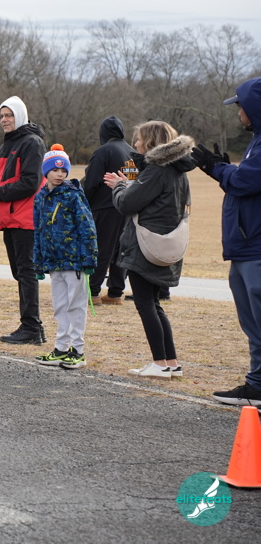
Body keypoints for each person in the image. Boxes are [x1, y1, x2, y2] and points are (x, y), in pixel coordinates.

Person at [105, 121, 194, 379]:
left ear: (151, 142)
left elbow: (127, 204)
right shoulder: (177, 169)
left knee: (145, 304)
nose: (135, 144)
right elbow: (151, 197)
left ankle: (159, 363)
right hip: (165, 243)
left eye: (139, 139)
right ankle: (170, 362)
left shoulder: (156, 170)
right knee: (154, 303)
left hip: (146, 245)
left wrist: (119, 186)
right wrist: (130, 183)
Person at [191, 77, 261, 405]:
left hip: (255, 247)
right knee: (252, 324)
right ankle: (257, 385)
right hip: (245, 247)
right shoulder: (256, 142)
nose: (238, 113)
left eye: (241, 107)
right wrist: (221, 169)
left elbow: (244, 182)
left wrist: (216, 168)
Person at [0, 96, 47, 344]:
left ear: (20, 116)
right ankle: (34, 327)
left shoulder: (32, 143)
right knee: (19, 272)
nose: (4, 120)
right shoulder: (6, 145)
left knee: (26, 272)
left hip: (25, 218)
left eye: (9, 115)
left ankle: (31, 327)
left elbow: (30, 183)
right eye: (1, 116)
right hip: (9, 217)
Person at [32, 146, 98, 369]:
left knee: (75, 306)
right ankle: (60, 348)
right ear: (46, 171)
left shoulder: (73, 195)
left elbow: (87, 227)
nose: (59, 174)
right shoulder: (40, 198)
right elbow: (38, 231)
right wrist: (38, 261)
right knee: (60, 306)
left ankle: (77, 350)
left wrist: (89, 259)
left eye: (63, 171)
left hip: (74, 261)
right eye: (55, 170)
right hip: (54, 261)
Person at [83, 117, 139, 305]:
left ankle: (93, 292)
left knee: (101, 249)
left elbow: (91, 182)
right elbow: (134, 181)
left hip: (105, 207)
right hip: (126, 206)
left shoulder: (104, 151)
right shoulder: (131, 151)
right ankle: (115, 292)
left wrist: (84, 203)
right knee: (120, 251)